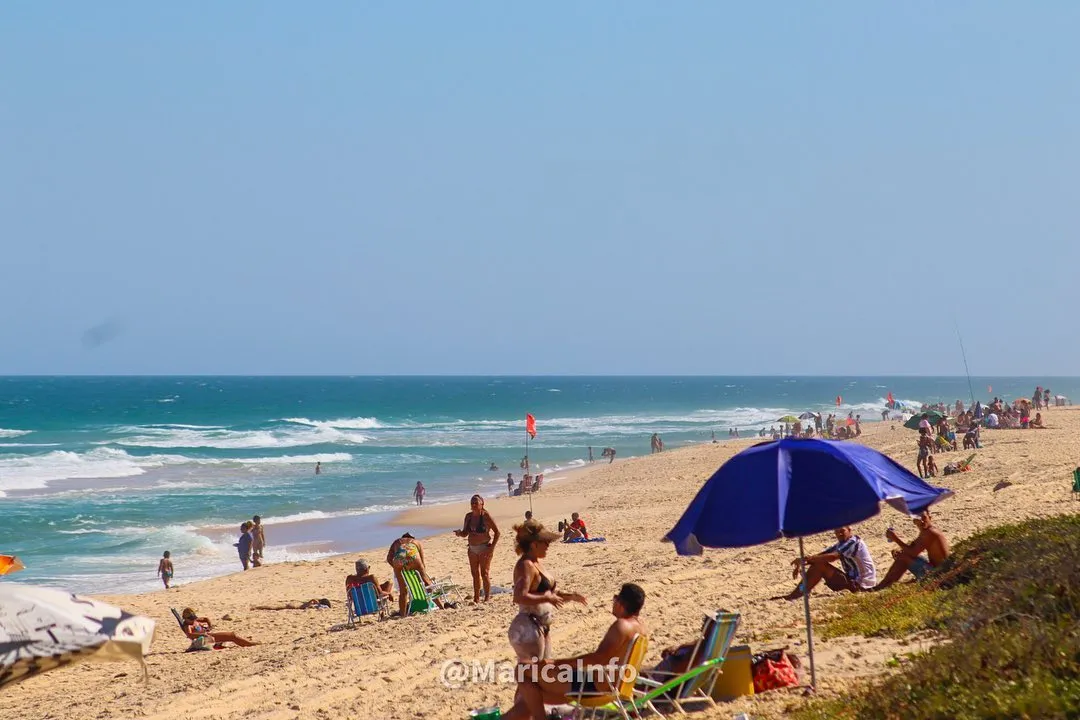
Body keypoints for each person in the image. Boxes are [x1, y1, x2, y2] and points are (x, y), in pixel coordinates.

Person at [503, 583, 645, 720]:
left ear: (621, 603)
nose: (613, 602)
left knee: (523, 671)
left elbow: (597, 659)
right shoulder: (641, 628)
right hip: (615, 684)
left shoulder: (622, 626)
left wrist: (556, 663)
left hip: (594, 686)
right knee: (533, 693)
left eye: (615, 598)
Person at [508, 520, 588, 664]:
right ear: (534, 544)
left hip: (540, 625)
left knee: (542, 674)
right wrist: (546, 598)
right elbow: (519, 597)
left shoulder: (536, 563)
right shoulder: (525, 565)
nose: (548, 546)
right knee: (534, 675)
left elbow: (549, 593)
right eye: (545, 542)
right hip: (528, 626)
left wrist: (570, 596)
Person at [775, 526, 877, 600]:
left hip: (861, 585)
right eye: (837, 531)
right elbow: (820, 556)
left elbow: (832, 557)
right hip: (852, 582)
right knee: (817, 563)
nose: (839, 534)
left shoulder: (853, 542)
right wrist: (803, 562)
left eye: (842, 531)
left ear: (849, 530)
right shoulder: (841, 544)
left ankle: (797, 594)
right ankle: (799, 591)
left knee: (819, 566)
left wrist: (807, 560)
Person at [873, 510, 950, 591]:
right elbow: (913, 547)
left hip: (938, 574)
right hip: (936, 568)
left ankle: (883, 585)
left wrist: (895, 539)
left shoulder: (930, 532)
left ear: (930, 518)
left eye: (924, 518)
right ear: (914, 522)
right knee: (901, 554)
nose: (922, 521)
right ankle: (886, 584)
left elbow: (912, 552)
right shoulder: (926, 531)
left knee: (903, 557)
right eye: (918, 519)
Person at [385, 532, 449, 615]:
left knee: (403, 591)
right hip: (412, 555)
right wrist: (421, 572)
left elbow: (389, 558)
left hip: (399, 558)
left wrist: (397, 568)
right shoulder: (416, 542)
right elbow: (422, 561)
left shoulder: (397, 541)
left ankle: (403, 615)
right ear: (412, 538)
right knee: (427, 584)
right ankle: (441, 607)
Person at [454, 494, 500, 603]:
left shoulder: (486, 516)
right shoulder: (468, 516)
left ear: (482, 504)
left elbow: (497, 533)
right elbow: (465, 533)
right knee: (475, 574)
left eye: (476, 503)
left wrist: (492, 548)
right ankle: (476, 598)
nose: (474, 505)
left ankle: (487, 597)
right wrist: (459, 533)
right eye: (472, 503)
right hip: (472, 549)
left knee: (484, 573)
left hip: (484, 548)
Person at [180, 607, 258, 647]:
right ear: (185, 618)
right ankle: (249, 644)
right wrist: (202, 635)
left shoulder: (194, 621)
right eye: (190, 619)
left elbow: (206, 619)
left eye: (193, 618)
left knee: (231, 635)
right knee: (232, 636)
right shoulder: (188, 625)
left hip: (208, 634)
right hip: (206, 639)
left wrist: (209, 627)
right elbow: (189, 635)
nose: (193, 620)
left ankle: (247, 643)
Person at [252, 598, 332, 610]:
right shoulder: (312, 604)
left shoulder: (313, 604)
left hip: (294, 606)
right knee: (273, 608)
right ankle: (258, 607)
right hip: (293, 607)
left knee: (273, 608)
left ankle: (258, 607)